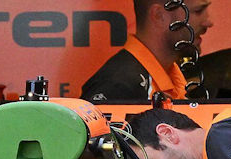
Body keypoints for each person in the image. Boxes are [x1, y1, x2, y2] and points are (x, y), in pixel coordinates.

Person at [82, 0, 214, 104]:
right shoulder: (118, 85)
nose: (209, 22)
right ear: (159, 15)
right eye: (198, 11)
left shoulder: (174, 76)